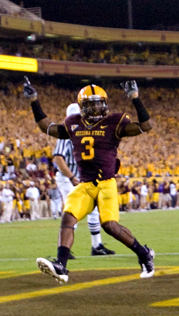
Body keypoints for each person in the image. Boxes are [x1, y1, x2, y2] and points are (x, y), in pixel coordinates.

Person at [23, 78, 155, 283]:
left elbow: (146, 125)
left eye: (99, 102)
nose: (96, 106)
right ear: (83, 105)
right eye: (91, 103)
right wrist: (34, 101)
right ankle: (61, 267)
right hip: (85, 184)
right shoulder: (73, 122)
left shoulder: (115, 121)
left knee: (110, 225)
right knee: (68, 218)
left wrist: (135, 99)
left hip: (106, 183)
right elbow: (47, 127)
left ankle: (144, 253)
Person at [52, 103, 115, 255]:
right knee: (72, 210)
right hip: (67, 177)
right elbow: (58, 159)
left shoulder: (84, 132)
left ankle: (97, 245)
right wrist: (72, 177)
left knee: (93, 208)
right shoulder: (66, 133)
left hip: (81, 177)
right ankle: (64, 250)